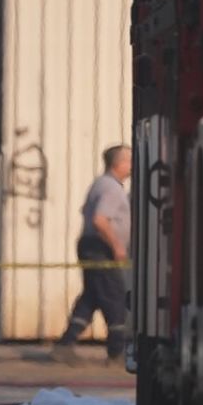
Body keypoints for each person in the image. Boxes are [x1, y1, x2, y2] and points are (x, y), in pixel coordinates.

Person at [51, 144, 132, 364]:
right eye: (129, 160)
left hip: (90, 246)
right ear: (118, 163)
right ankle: (117, 352)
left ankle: (65, 345)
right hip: (100, 249)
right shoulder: (111, 188)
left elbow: (85, 209)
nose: (132, 165)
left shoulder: (102, 184)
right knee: (114, 296)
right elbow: (99, 219)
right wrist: (117, 245)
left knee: (92, 296)